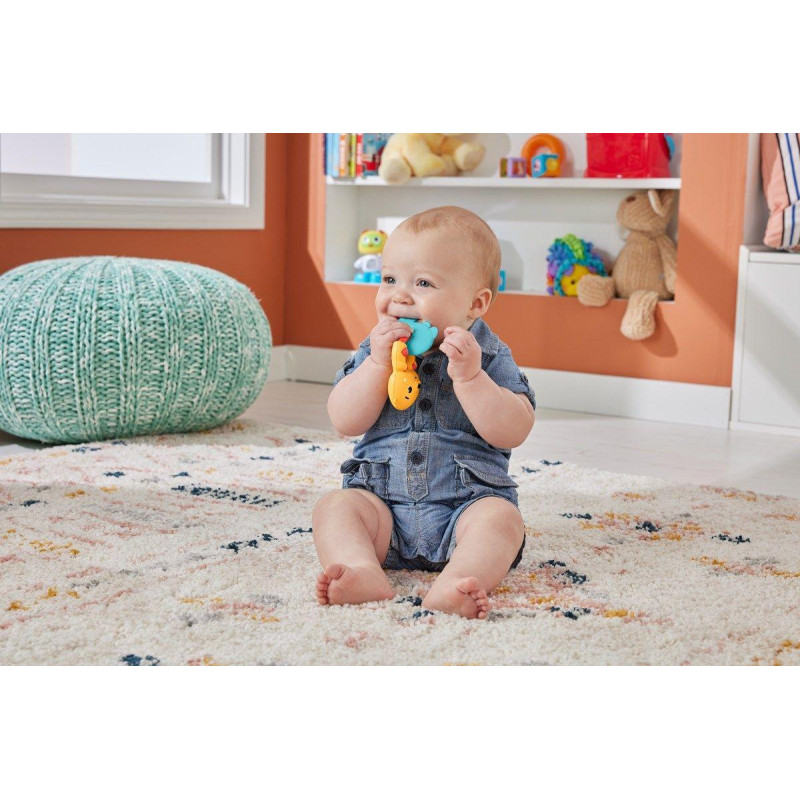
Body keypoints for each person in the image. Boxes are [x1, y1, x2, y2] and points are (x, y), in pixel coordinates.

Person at [312, 206, 536, 619]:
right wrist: (377, 366)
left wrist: (471, 379)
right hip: (382, 508)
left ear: (475, 303)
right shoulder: (376, 349)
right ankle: (362, 569)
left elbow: (514, 429)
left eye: (423, 283)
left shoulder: (487, 355)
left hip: (466, 506)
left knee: (503, 521)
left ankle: (459, 579)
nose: (399, 296)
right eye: (389, 279)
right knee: (334, 507)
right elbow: (344, 420)